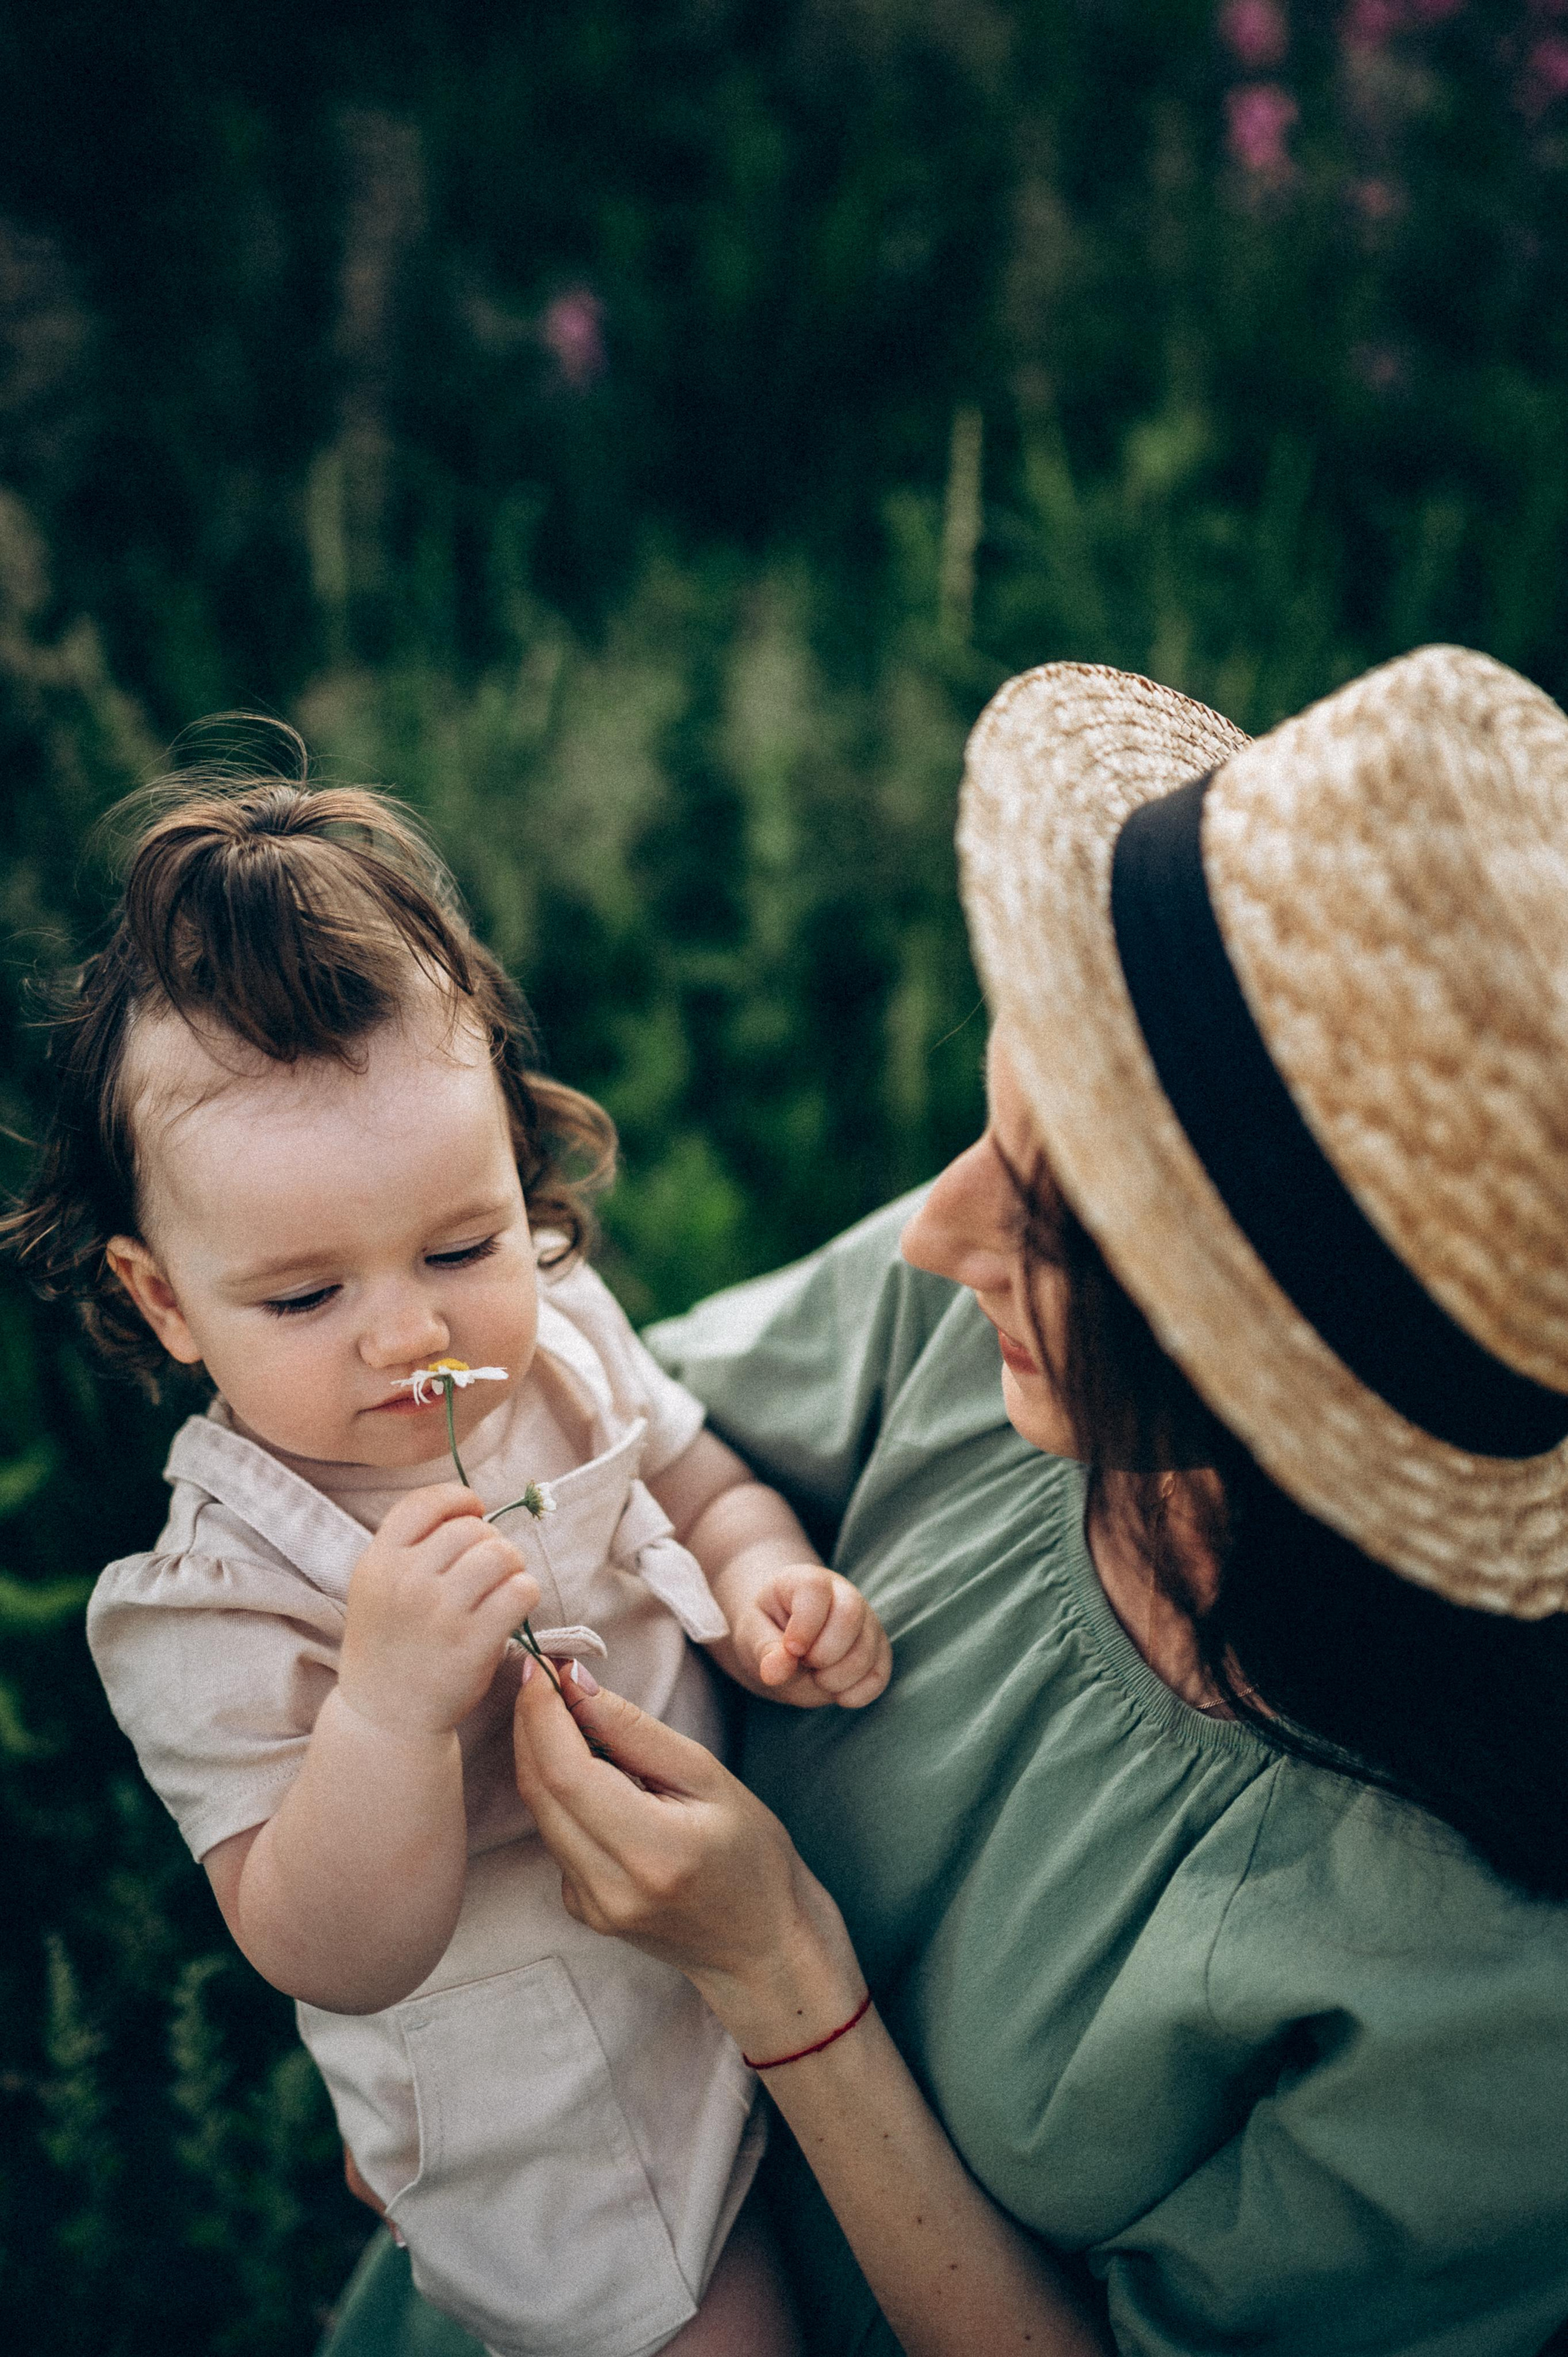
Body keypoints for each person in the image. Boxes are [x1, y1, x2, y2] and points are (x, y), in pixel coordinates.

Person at [327, 645, 1568, 2357]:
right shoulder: (1002, 1326)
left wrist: (777, 1975)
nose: (934, 1233)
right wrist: (433, 1999)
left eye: (1057, 1223)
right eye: (997, 1121)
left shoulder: (1499, 2001)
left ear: (1287, 1379)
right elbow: (588, 1451)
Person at [2, 745, 894, 2357]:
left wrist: (770, 1578)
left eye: (462, 1241)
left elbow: (692, 1469)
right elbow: (323, 1945)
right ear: (164, 1301)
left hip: (774, 1936)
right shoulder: (213, 1603)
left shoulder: (553, 1331)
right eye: (303, 1297)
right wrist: (389, 1713)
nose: (413, 1331)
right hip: (567, 2125)